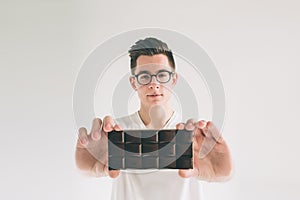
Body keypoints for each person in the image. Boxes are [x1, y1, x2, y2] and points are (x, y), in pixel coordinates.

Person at [75, 37, 232, 200]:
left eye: (162, 75)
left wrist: (222, 173)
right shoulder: (114, 132)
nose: (154, 84)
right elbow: (86, 170)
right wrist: (87, 167)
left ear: (174, 79)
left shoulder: (194, 137)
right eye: (144, 76)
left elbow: (224, 175)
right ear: (133, 83)